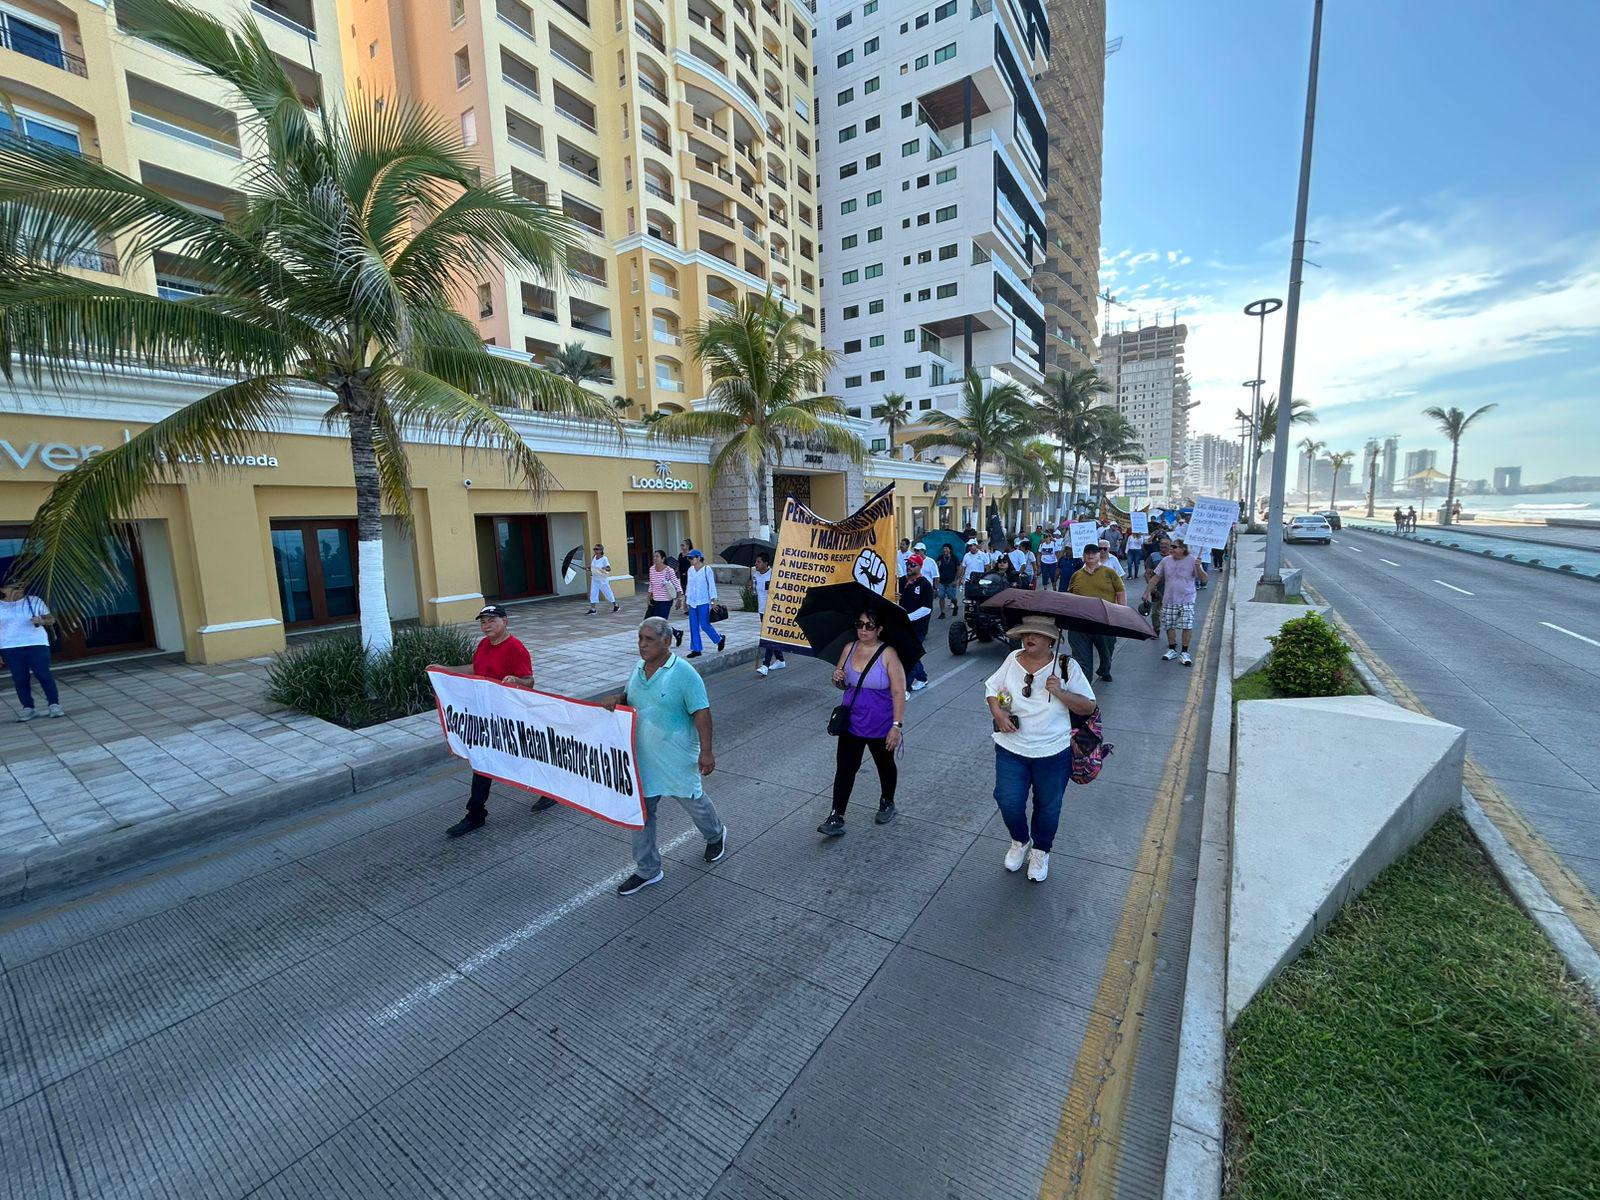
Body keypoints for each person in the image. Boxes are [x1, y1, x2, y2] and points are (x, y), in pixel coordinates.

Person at [604, 617, 726, 895]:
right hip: (643, 759)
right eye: (639, 639)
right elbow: (630, 696)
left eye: (648, 639)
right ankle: (648, 869)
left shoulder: (684, 673)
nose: (642, 645)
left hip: (677, 757)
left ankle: (716, 834)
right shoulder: (638, 668)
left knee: (694, 802)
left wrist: (706, 752)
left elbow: (702, 713)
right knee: (642, 814)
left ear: (666, 641)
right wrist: (617, 699)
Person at [985, 616, 1097, 883]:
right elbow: (991, 687)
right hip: (1011, 747)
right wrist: (998, 713)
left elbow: (1088, 706)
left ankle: (1041, 850)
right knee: (1007, 800)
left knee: (1048, 807)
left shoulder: (1067, 666)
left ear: (1051, 640)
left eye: (1037, 633)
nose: (1029, 638)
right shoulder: (1012, 658)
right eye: (1026, 633)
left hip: (1053, 752)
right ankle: (1020, 841)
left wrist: (1060, 692)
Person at [435, 604, 546, 837]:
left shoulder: (515, 648)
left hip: (510, 717)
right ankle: (475, 814)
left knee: (525, 757)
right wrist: (445, 670)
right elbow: (476, 668)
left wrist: (516, 679)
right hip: (487, 716)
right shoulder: (484, 644)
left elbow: (530, 681)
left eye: (491, 620)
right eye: (483, 622)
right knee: (483, 761)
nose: (486, 626)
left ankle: (552, 789)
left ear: (505, 621)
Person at [820, 608, 907, 835]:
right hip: (851, 721)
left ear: (879, 629)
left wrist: (896, 727)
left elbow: (899, 692)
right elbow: (842, 683)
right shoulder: (849, 648)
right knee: (845, 768)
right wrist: (837, 679)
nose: (863, 630)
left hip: (880, 723)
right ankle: (836, 815)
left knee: (884, 765)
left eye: (869, 625)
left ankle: (887, 801)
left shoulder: (889, 654)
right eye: (859, 624)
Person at [1, 579, 61, 721]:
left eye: (21, 586)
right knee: (20, 678)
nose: (19, 589)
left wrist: (42, 620)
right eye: (14, 587)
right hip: (10, 646)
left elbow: (51, 619)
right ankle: (28, 708)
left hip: (36, 643)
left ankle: (54, 705)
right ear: (3, 589)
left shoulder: (34, 601)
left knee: (43, 674)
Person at [1066, 544, 1126, 683]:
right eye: (1087, 552)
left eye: (1094, 552)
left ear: (1099, 555)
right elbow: (1070, 596)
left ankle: (1104, 670)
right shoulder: (1077, 575)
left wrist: (1122, 613)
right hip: (1080, 623)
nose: (1090, 555)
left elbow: (1120, 592)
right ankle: (1084, 687)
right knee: (1081, 658)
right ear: (1083, 555)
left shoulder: (1109, 572)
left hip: (1105, 621)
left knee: (1107, 652)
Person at [1152, 540, 1207, 666]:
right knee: (1169, 625)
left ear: (1183, 548)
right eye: (1171, 546)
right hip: (1169, 599)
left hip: (1187, 599)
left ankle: (1184, 652)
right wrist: (1147, 592)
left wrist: (1198, 567)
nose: (1171, 549)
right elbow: (1156, 577)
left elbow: (1204, 579)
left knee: (1187, 624)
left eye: (1174, 547)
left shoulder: (1193, 560)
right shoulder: (1166, 560)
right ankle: (1172, 649)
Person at [900, 557, 934, 692]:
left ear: (919, 566)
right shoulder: (901, 581)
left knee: (909, 655)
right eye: (908, 564)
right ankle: (922, 678)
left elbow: (926, 608)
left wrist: (908, 618)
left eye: (913, 565)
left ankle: (906, 688)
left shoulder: (925, 584)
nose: (909, 567)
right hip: (901, 626)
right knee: (911, 654)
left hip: (917, 628)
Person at [683, 549, 725, 658]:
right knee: (693, 626)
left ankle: (719, 639)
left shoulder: (707, 570)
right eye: (689, 558)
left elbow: (711, 585)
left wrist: (713, 601)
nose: (690, 560)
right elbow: (689, 586)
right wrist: (685, 600)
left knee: (705, 624)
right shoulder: (690, 570)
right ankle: (696, 649)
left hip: (703, 601)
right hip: (692, 601)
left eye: (692, 558)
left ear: (698, 558)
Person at [752, 552, 786, 676]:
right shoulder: (755, 575)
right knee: (771, 636)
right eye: (756, 561)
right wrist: (752, 586)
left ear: (766, 563)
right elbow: (755, 593)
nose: (756, 564)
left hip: (773, 610)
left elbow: (781, 591)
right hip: (762, 610)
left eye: (759, 561)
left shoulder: (774, 575)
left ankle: (765, 664)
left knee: (769, 636)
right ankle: (780, 660)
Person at [645, 549, 684, 646]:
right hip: (655, 600)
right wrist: (649, 596)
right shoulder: (652, 569)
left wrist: (679, 599)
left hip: (665, 601)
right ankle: (676, 633)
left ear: (663, 559)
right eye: (654, 556)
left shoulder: (668, 570)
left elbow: (677, 584)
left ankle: (659, 643)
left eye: (657, 556)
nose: (655, 558)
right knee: (649, 621)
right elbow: (651, 584)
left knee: (660, 623)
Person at [583, 543, 621, 615]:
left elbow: (609, 569)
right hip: (594, 578)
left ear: (601, 550)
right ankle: (593, 609)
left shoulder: (604, 558)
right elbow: (592, 567)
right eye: (594, 549)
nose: (595, 550)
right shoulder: (594, 557)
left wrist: (605, 568)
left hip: (602, 579)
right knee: (593, 593)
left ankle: (615, 605)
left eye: (596, 549)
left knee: (607, 592)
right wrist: (587, 568)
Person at [935, 544, 961, 619]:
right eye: (944, 549)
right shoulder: (940, 558)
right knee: (941, 596)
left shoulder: (954, 558)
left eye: (946, 548)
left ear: (950, 550)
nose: (945, 550)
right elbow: (936, 569)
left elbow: (958, 569)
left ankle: (955, 606)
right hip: (942, 581)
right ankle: (942, 612)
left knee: (952, 597)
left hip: (951, 581)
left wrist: (956, 580)